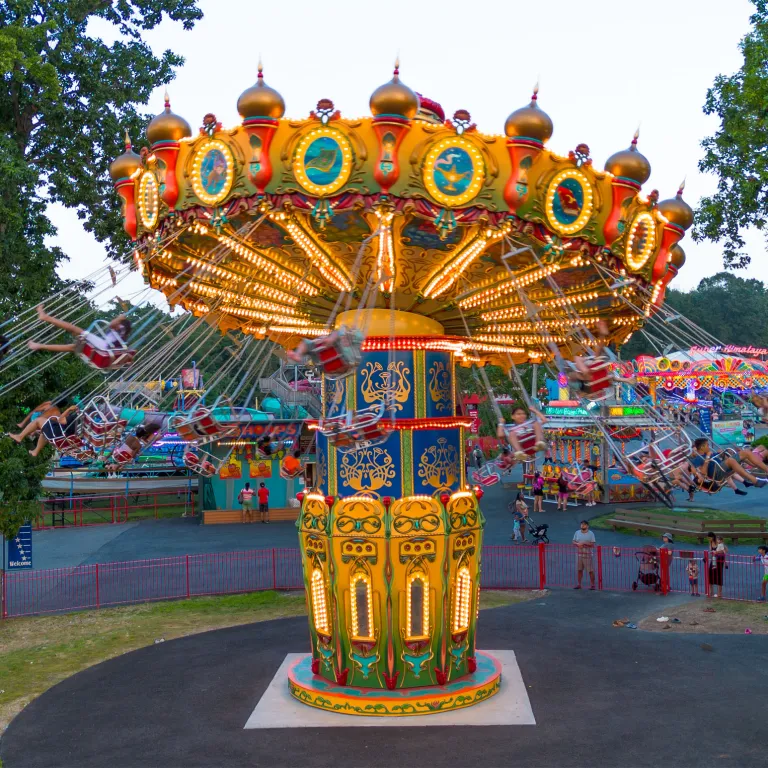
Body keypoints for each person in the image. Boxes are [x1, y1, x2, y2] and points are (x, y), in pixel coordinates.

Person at [27, 304, 131, 355]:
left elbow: (113, 324)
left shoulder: (122, 329)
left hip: (103, 347)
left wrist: (121, 317)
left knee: (74, 329)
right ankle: (38, 346)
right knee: (72, 347)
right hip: (103, 348)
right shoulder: (119, 335)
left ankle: (45, 317)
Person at [689, 438, 766, 496]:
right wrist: (708, 457)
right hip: (715, 474)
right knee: (731, 461)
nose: (709, 446)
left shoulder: (711, 453)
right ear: (702, 447)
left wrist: (722, 453)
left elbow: (721, 458)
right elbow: (703, 473)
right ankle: (755, 481)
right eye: (707, 445)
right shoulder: (697, 458)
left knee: (745, 452)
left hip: (722, 467)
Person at [573, 520, 596, 590]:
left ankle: (592, 585)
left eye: (584, 524)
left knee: (590, 570)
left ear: (587, 526)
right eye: (581, 524)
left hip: (587, 554)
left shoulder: (591, 534)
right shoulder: (577, 532)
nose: (582, 526)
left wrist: (584, 544)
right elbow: (573, 541)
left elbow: (592, 544)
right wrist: (577, 544)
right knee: (579, 570)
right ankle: (579, 584)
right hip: (579, 554)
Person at [706, 531, 725, 598]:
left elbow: (724, 550)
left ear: (712, 537)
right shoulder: (711, 542)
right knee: (710, 573)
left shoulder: (718, 542)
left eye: (709, 538)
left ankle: (719, 593)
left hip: (719, 559)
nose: (708, 539)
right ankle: (711, 591)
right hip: (714, 559)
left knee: (719, 574)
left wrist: (716, 552)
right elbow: (710, 551)